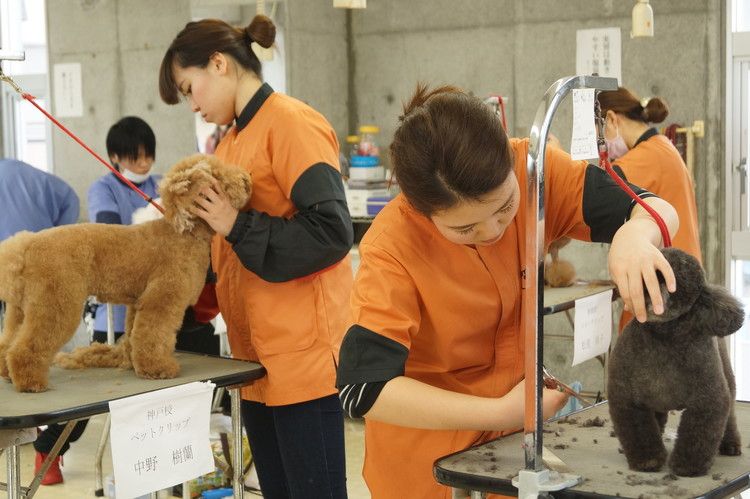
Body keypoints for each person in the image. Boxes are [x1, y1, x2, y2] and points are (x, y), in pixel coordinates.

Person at [335, 85, 679, 498]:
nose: (494, 231)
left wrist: (635, 236)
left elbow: (653, 206)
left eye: (505, 208)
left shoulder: (533, 170)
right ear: (419, 209)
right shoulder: (392, 245)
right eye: (465, 229)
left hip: (514, 457)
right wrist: (504, 409)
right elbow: (363, 391)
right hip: (425, 468)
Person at [159, 14, 354, 499]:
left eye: (189, 88)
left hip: (303, 365)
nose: (193, 105)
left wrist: (236, 223)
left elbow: (332, 232)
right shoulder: (229, 142)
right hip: (255, 365)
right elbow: (227, 252)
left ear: (219, 64)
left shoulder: (291, 123)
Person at [32, 116, 162, 485]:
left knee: (148, 397)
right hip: (111, 316)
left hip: (150, 311)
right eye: (135, 157)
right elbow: (109, 236)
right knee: (89, 402)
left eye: (148, 156)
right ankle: (49, 447)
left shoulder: (160, 186)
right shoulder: (103, 189)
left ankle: (146, 468)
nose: (143, 164)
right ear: (114, 157)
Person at [597, 87, 701, 328]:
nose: (602, 149)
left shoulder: (646, 157)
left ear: (611, 119)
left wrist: (555, 158)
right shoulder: (662, 147)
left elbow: (590, 191)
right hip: (681, 284)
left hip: (664, 292)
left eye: (599, 138)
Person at [0, 158, 79, 242]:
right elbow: (70, 199)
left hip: (11, 248)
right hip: (42, 245)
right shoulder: (28, 172)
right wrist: (58, 237)